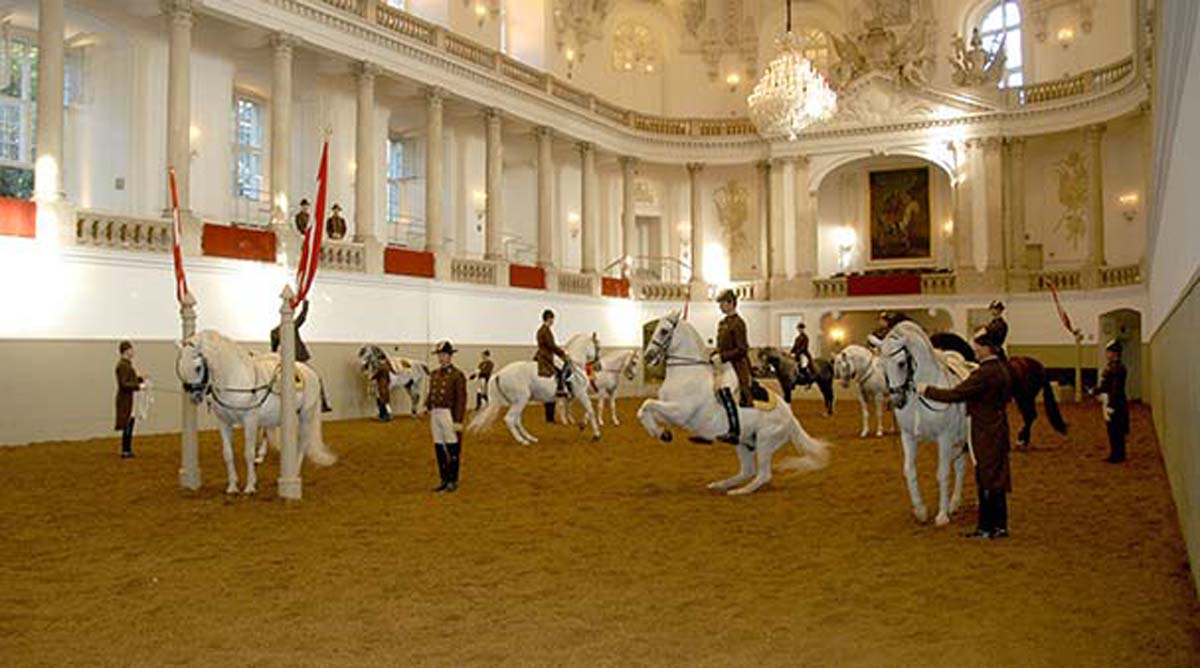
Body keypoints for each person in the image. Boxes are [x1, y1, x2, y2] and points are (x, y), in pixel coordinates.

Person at [919, 327, 1014, 539]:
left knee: (987, 477)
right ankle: (995, 525)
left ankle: (990, 527)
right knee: (994, 477)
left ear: (986, 348)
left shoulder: (984, 373)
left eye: (978, 348)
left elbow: (956, 394)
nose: (976, 352)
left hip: (985, 429)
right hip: (998, 426)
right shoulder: (1001, 369)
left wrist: (926, 390)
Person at [270, 299, 332, 412]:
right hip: (293, 358)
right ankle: (322, 403)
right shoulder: (288, 327)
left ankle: (320, 403)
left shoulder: (275, 331)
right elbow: (302, 317)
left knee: (314, 378)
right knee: (315, 378)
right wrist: (305, 303)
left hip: (292, 358)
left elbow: (273, 350)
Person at [712, 289, 753, 444]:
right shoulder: (723, 323)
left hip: (735, 366)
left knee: (725, 391)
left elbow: (742, 349)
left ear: (731, 303)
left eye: (722, 303)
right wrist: (713, 355)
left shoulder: (738, 323)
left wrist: (722, 357)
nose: (720, 306)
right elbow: (720, 346)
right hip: (723, 365)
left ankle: (734, 431)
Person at [427, 340, 467, 493]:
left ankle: (452, 479)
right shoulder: (435, 374)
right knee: (439, 447)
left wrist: (458, 420)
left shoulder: (457, 375)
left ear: (450, 356)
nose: (441, 358)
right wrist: (428, 404)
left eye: (444, 355)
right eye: (439, 355)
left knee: (452, 447)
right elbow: (432, 392)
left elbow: (461, 400)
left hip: (448, 414)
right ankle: (443, 478)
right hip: (436, 413)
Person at [1096, 339, 1129, 463]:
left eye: (1109, 352)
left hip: (1115, 401)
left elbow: (1115, 388)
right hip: (1111, 400)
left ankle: (1118, 455)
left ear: (1115, 353)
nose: (1107, 354)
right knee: (1112, 429)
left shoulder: (1118, 368)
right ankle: (1115, 453)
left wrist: (1111, 403)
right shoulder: (1113, 367)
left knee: (1116, 429)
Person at [114, 341, 145, 459]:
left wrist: (140, 379)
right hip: (125, 399)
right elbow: (124, 384)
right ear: (126, 351)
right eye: (131, 349)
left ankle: (127, 449)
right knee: (127, 424)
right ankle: (125, 450)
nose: (133, 352)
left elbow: (129, 379)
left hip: (128, 399)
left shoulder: (126, 364)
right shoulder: (122, 365)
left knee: (130, 423)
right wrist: (138, 386)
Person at [535, 309, 570, 397]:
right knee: (561, 368)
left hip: (541, 353)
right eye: (552, 319)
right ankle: (560, 388)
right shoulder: (545, 330)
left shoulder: (541, 330)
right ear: (549, 318)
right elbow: (551, 345)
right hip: (546, 355)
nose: (553, 321)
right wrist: (562, 353)